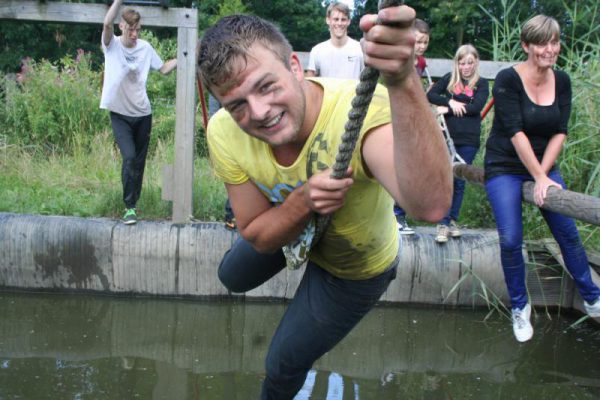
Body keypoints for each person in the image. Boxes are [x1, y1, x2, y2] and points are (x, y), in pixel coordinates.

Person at [197, 6, 452, 399]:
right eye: (237, 105)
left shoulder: (364, 110)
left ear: (296, 68)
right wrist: (302, 202)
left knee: (281, 363)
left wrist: (403, 81)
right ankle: (300, 230)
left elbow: (432, 207)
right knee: (232, 276)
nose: (259, 113)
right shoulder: (223, 131)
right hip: (292, 224)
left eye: (266, 86)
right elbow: (257, 234)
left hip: (355, 265)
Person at [483, 15, 600, 343]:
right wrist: (537, 176)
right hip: (505, 164)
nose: (550, 49)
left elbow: (561, 131)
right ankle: (520, 308)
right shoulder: (507, 79)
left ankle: (592, 298)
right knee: (510, 238)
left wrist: (544, 176)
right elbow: (515, 132)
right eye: (542, 43)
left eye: (555, 42)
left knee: (568, 233)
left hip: (545, 164)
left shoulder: (562, 80)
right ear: (526, 46)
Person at [100, 0, 177, 224]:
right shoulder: (111, 45)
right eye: (131, 29)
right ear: (121, 26)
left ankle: (133, 207)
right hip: (119, 114)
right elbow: (106, 23)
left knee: (139, 163)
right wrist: (118, 1)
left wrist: (185, 56)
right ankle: (129, 205)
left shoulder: (145, 48)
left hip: (143, 114)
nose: (135, 34)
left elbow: (163, 69)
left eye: (138, 29)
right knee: (129, 157)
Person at [427, 44, 489, 243]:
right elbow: (431, 95)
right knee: (446, 178)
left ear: (476, 62)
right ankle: (443, 223)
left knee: (459, 180)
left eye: (470, 63)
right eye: (462, 63)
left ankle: (452, 219)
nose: (466, 67)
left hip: (469, 138)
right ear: (457, 63)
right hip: (448, 137)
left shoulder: (482, 84)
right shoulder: (449, 79)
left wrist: (448, 110)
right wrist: (449, 102)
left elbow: (476, 107)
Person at [393, 18, 431, 235]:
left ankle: (400, 215)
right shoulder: (400, 59)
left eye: (424, 42)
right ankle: (394, 215)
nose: (420, 46)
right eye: (417, 42)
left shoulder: (422, 64)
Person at [305, 2, 364, 80]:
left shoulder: (360, 49)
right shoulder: (317, 51)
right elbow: (310, 85)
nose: (339, 23)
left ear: (348, 21)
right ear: (328, 20)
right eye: (336, 19)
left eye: (343, 19)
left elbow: (367, 82)